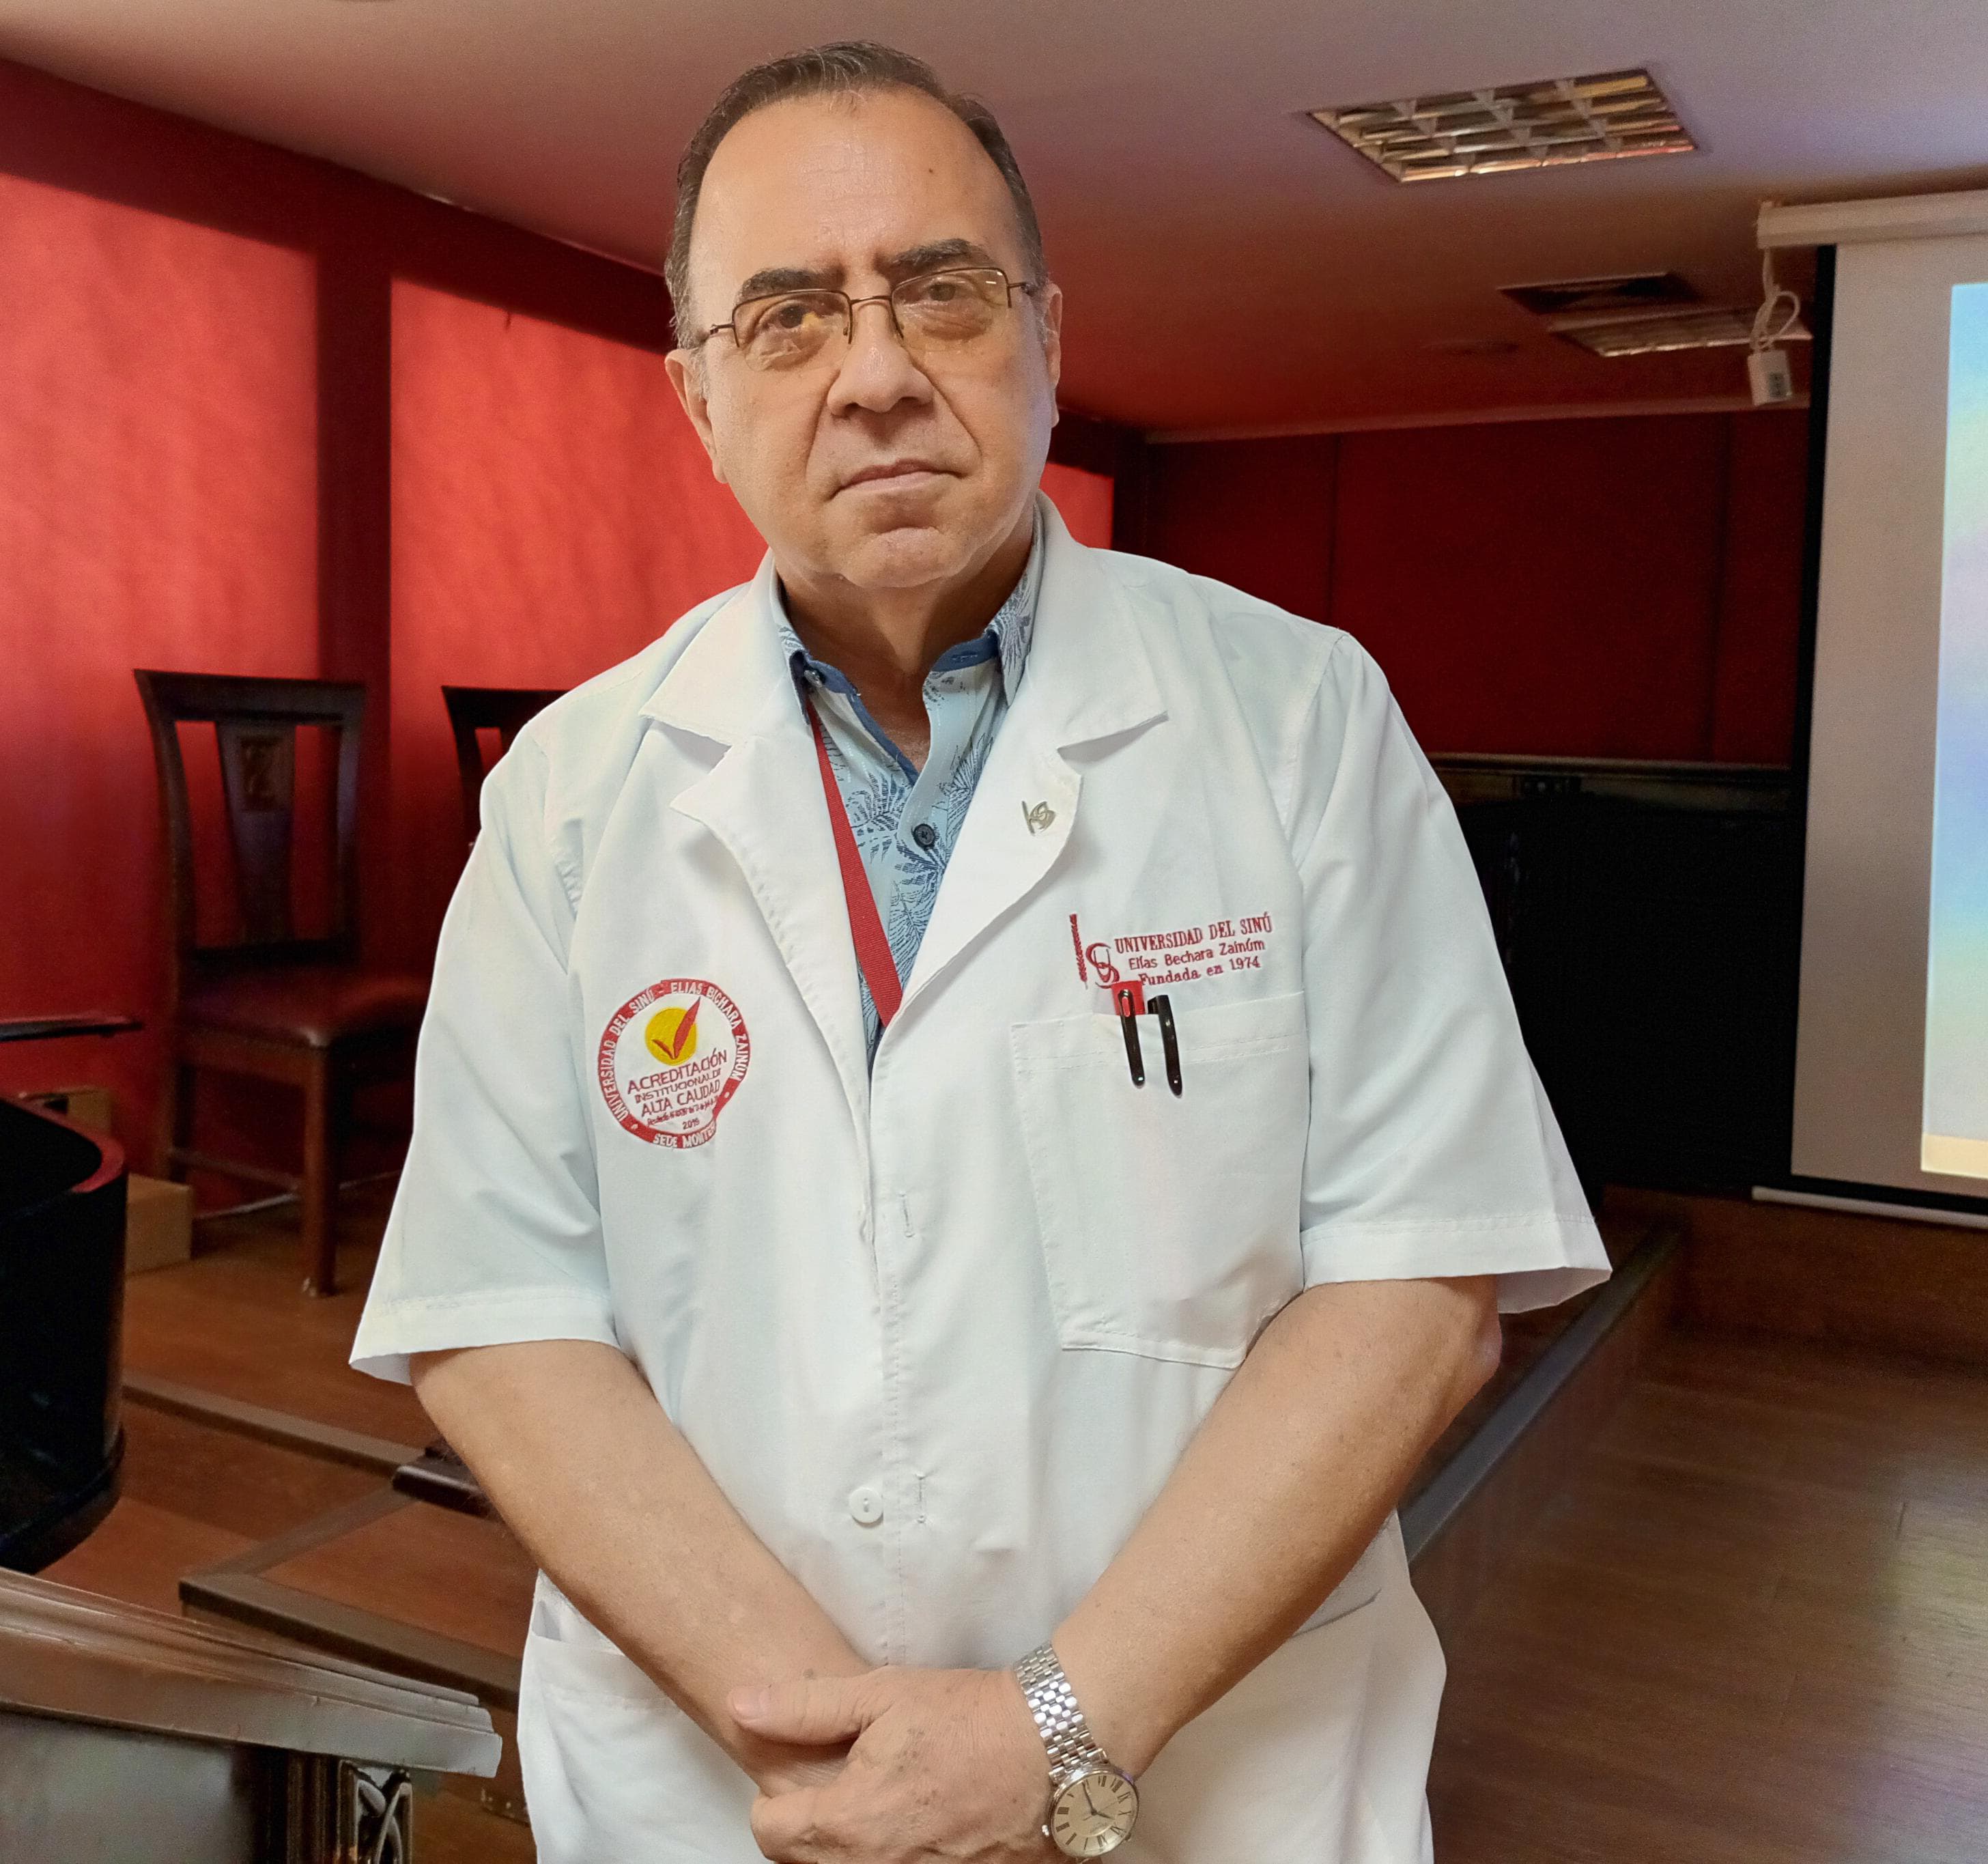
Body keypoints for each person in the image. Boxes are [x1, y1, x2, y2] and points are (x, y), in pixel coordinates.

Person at [351, 40, 1610, 1864]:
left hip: (1215, 1780)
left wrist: (1051, 1729)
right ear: (697, 394)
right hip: (728, 1788)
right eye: (786, 316)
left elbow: (1417, 1288)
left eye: (937, 292)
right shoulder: (570, 793)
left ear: (1045, 334)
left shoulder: (1299, 721)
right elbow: (502, 1317)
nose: (875, 374)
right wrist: (854, 1754)